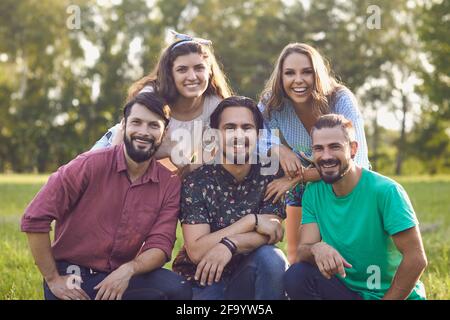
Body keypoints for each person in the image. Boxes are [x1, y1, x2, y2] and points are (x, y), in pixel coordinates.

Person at [21, 92, 192, 300]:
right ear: (124, 125)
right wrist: (53, 279)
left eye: (153, 125)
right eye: (136, 122)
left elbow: (160, 245)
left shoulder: (168, 183)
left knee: (177, 288)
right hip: (73, 277)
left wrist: (128, 270)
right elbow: (34, 218)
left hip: (120, 276)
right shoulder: (89, 165)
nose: (143, 132)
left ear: (164, 133)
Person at [284, 114, 427, 300]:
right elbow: (304, 250)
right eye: (319, 148)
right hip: (348, 292)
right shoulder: (313, 192)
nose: (326, 156)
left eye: (335, 147)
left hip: (389, 296)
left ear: (353, 149)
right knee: (297, 275)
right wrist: (316, 248)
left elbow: (416, 259)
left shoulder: (386, 191)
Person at [259, 43, 370, 264]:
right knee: (299, 256)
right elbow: (251, 135)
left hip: (346, 179)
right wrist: (278, 149)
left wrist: (298, 177)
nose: (298, 80)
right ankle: (295, 273)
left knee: (349, 251)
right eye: (290, 73)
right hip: (302, 183)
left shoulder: (340, 99)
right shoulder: (274, 102)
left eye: (306, 72)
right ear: (280, 76)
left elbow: (357, 161)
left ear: (317, 73)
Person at [172, 96, 289, 300]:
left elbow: (273, 231)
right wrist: (250, 221)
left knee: (272, 259)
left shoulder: (270, 173)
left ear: (259, 135)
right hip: (202, 276)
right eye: (230, 127)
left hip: (250, 273)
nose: (239, 135)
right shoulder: (196, 181)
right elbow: (197, 251)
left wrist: (230, 244)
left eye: (247, 127)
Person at [92, 31, 233, 175]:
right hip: (116, 151)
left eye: (199, 68)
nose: (192, 76)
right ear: (170, 74)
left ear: (209, 71)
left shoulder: (215, 106)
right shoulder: (151, 95)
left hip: (157, 173)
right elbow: (120, 147)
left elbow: (199, 167)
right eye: (182, 69)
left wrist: (176, 161)